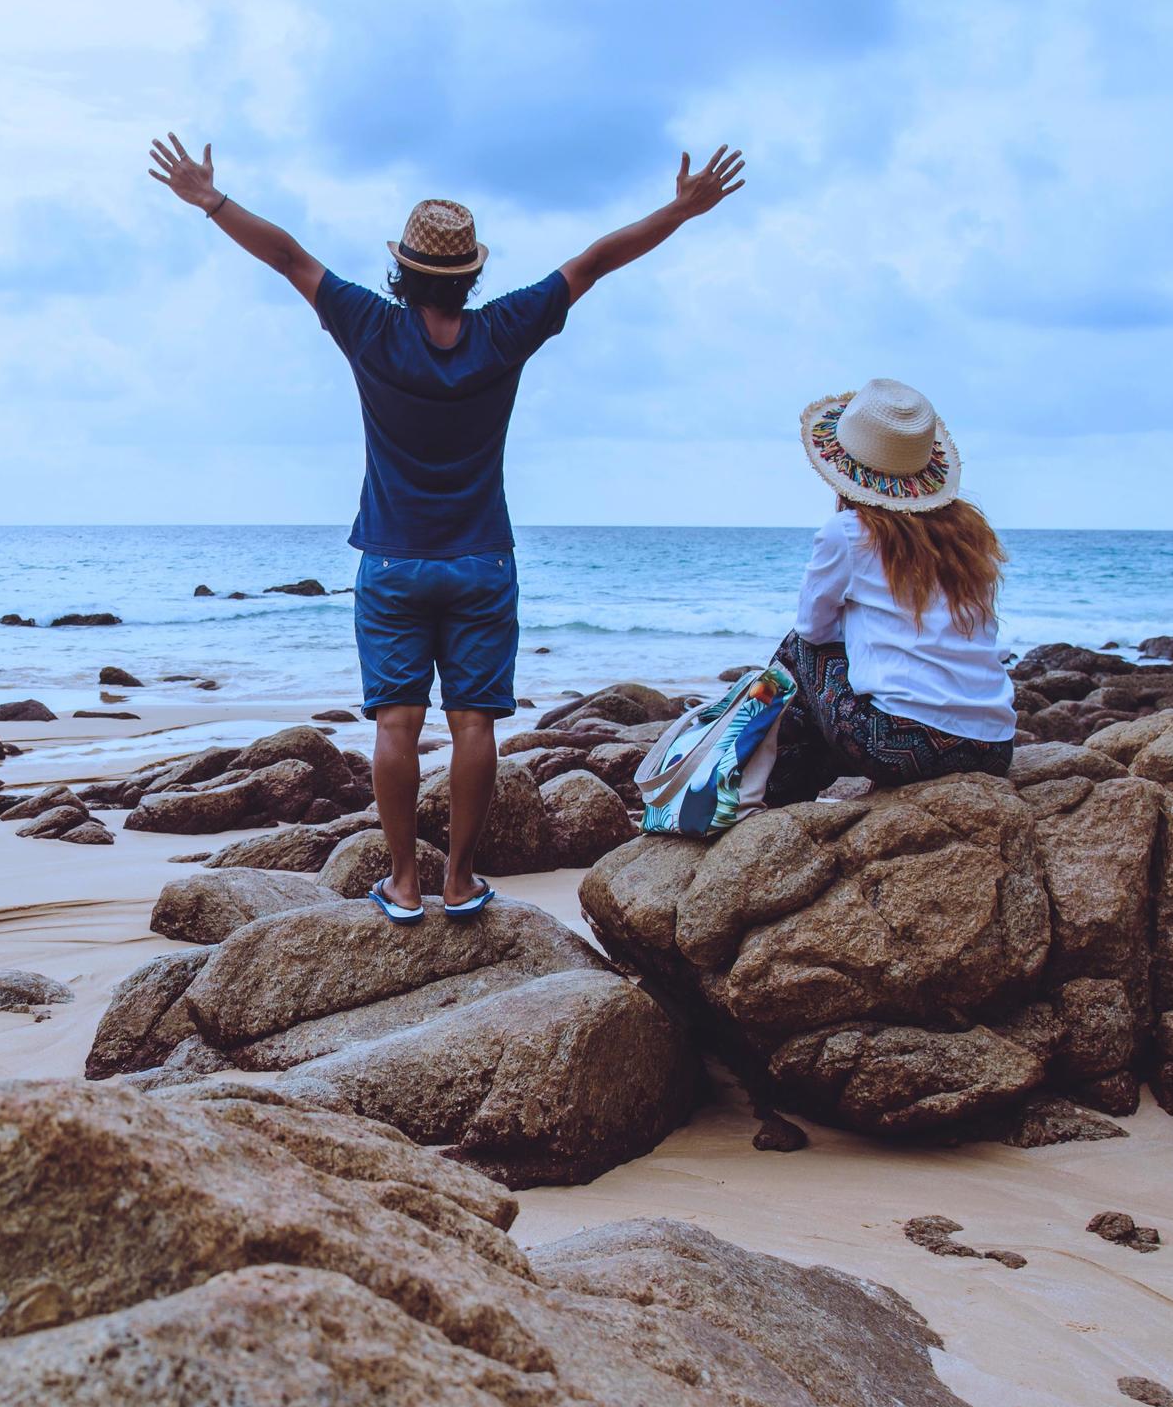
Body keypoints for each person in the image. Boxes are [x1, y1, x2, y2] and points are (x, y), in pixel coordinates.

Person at [146, 130, 746, 920]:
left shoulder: (369, 325)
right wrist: (682, 210)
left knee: (396, 723)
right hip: (481, 563)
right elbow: (595, 261)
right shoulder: (504, 330)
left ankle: (402, 880)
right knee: (473, 726)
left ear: (403, 269)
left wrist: (209, 200)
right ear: (470, 275)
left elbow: (289, 257)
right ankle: (458, 880)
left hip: (393, 562)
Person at [764, 378, 1016, 806]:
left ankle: (773, 790)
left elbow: (813, 629)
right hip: (992, 748)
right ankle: (787, 785)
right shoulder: (969, 533)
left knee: (798, 649)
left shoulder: (847, 532)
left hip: (901, 748)